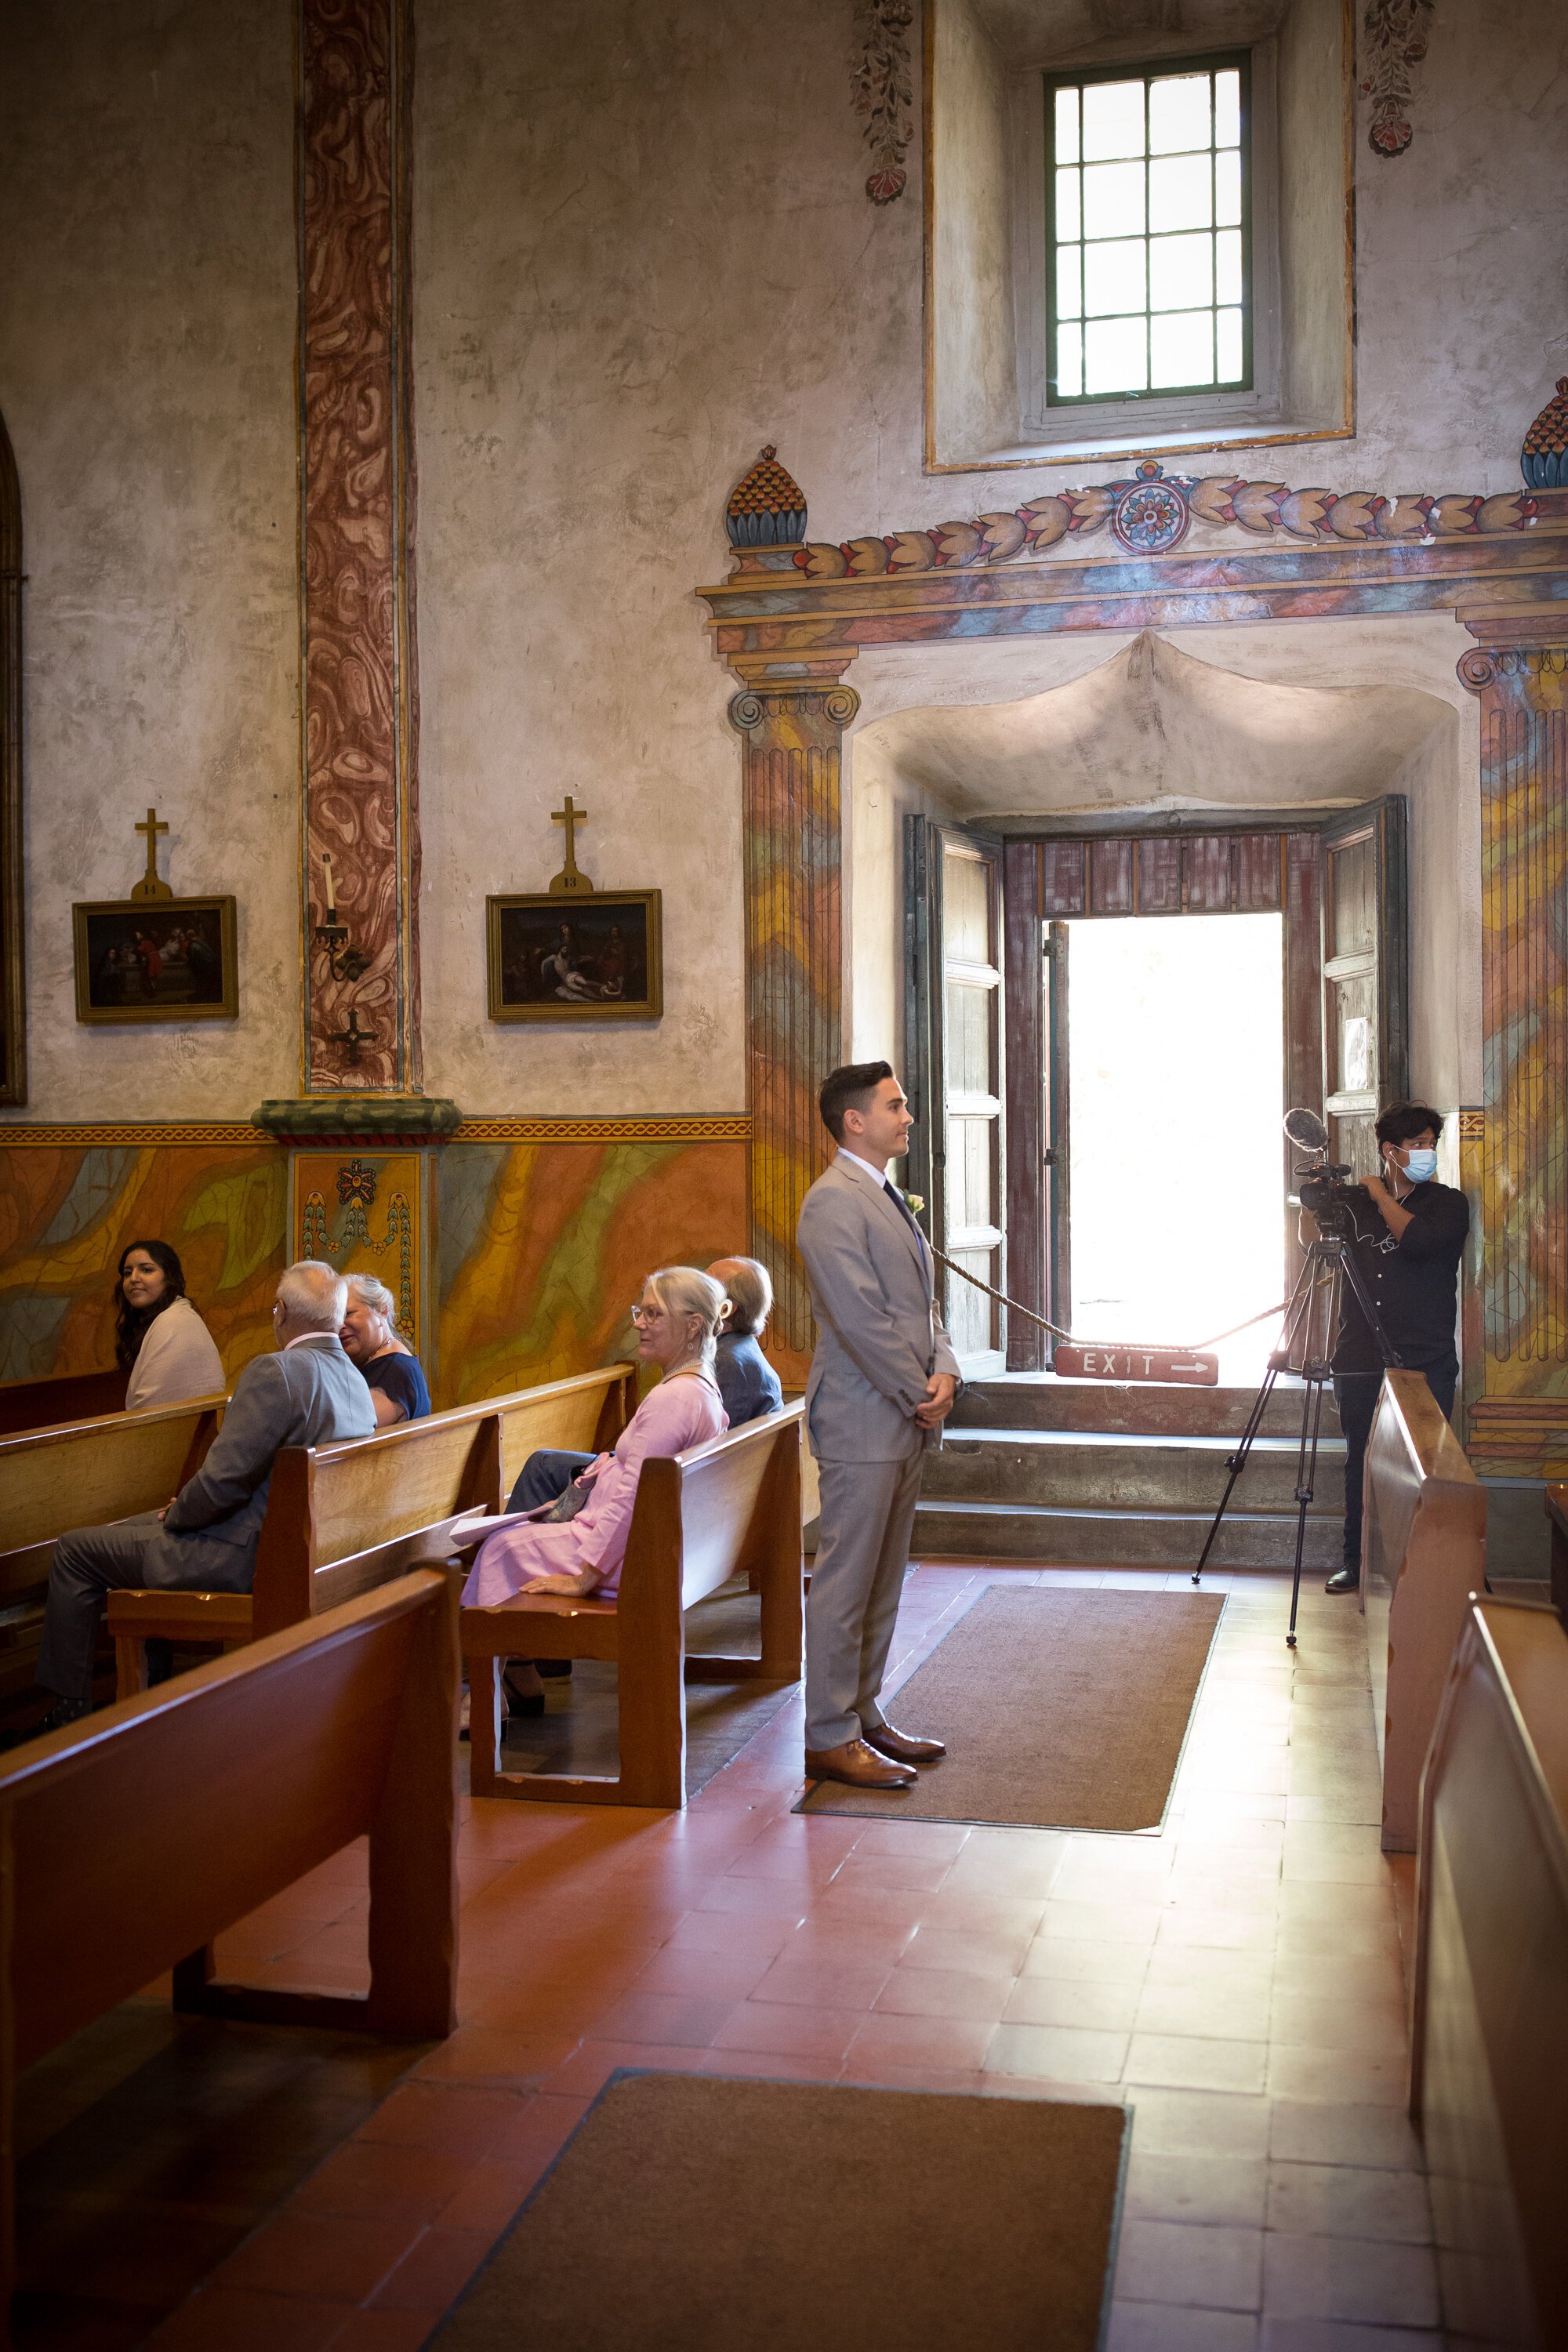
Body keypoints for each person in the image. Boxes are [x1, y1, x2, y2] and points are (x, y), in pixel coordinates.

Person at [27, 1261, 376, 1735]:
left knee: (74, 1550)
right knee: (129, 1527)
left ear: (281, 1313)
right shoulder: (354, 1378)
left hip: (241, 1556)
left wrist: (177, 1516)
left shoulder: (278, 1371)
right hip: (305, 1546)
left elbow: (221, 1482)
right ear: (335, 1317)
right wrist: (180, 1512)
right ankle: (154, 1692)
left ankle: (67, 1718)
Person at [795, 1062, 958, 1792]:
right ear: (853, 1120)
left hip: (902, 1411)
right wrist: (916, 1392)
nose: (908, 1116)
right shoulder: (831, 1202)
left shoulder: (885, 1194)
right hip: (865, 1415)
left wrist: (946, 1368)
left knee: (883, 1579)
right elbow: (859, 1315)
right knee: (845, 1582)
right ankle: (828, 1735)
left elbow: (922, 1306)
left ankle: (862, 1712)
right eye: (895, 1105)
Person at [459, 1266, 728, 1615]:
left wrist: (585, 1577)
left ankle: (485, 1663)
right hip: (653, 1542)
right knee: (513, 1535)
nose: (638, 1323)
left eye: (653, 1314)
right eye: (640, 1311)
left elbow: (633, 1496)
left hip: (632, 1556)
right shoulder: (698, 1382)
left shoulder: (674, 1399)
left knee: (501, 1548)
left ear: (693, 1325)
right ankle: (517, 1666)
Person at [503, 1252, 781, 1515]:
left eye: (706, 1284)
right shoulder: (742, 1350)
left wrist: (612, 1462)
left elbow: (671, 1460)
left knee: (542, 1464)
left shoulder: (722, 1364)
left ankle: (496, 1553)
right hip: (697, 1487)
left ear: (722, 1309)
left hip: (681, 1498)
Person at [1323, 1102, 1471, 1595]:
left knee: (1427, 1465)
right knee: (1360, 1461)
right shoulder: (1355, 1208)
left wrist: (1378, 1193)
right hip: (1361, 1355)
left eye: (1431, 1144)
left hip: (1425, 1357)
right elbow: (1317, 1254)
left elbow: (1418, 1244)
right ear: (1391, 1151)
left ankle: (1418, 1568)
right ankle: (1356, 1561)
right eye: (1417, 1145)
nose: (1427, 1152)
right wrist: (1316, 1212)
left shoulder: (1448, 1204)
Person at [114, 1239, 226, 1412]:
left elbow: (150, 1413)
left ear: (169, 1277)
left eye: (146, 1270)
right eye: (128, 1273)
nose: (134, 1279)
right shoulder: (167, 1318)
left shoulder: (175, 1321)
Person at [340, 1272, 431, 1425]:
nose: (340, 1325)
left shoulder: (394, 1371)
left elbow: (353, 1430)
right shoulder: (382, 1361)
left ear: (382, 1311)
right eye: (334, 1318)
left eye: (348, 1314)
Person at [708, 1254, 784, 1423]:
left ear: (726, 1309)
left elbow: (713, 1444)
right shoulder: (741, 1346)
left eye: (706, 1289)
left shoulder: (727, 1363)